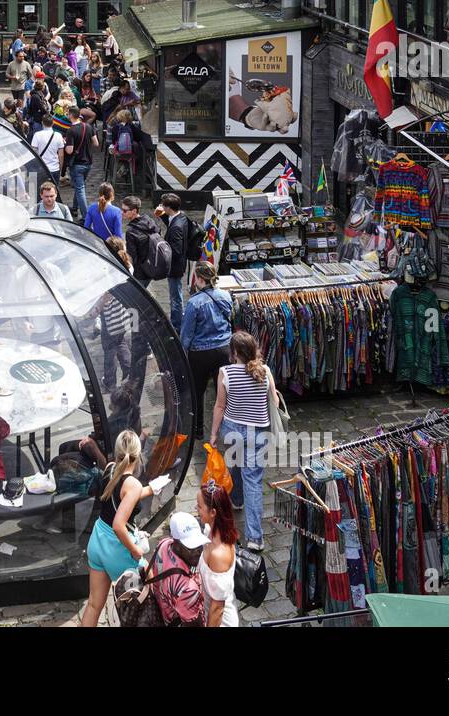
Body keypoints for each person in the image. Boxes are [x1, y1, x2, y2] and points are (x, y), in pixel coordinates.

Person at [80, 430, 167, 627]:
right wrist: (136, 552)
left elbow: (124, 494)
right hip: (117, 548)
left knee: (94, 604)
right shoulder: (133, 484)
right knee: (148, 598)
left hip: (98, 540)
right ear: (138, 456)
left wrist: (151, 489)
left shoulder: (110, 468)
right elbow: (119, 526)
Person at [210, 331, 278, 552]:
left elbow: (220, 406)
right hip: (258, 433)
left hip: (232, 431)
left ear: (235, 352)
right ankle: (255, 538)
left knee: (234, 466)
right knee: (254, 481)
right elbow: (274, 402)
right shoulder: (264, 371)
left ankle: (236, 499)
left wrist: (213, 434)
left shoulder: (225, 373)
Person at [180, 260, 233, 421]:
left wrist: (182, 354)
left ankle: (197, 428)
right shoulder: (226, 296)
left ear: (201, 280)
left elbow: (187, 334)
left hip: (200, 354)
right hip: (224, 349)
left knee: (197, 392)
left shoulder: (193, 303)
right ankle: (226, 424)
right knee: (223, 391)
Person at [148, 511, 208, 627]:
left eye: (199, 545)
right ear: (176, 543)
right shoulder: (188, 590)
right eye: (191, 547)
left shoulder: (164, 544)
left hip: (163, 612)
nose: (198, 551)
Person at [196, 481, 240, 626]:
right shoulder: (209, 532)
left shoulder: (218, 555)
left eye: (200, 506)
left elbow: (217, 609)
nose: (197, 509)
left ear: (213, 512)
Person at [158, 193, 193, 330]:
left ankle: (176, 325)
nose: (161, 207)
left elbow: (176, 250)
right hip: (179, 265)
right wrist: (161, 216)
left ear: (169, 208)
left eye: (163, 206)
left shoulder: (177, 227)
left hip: (175, 267)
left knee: (175, 298)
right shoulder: (181, 217)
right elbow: (171, 221)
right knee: (176, 295)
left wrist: (162, 243)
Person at [64, 108, 99, 220]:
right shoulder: (88, 127)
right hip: (88, 162)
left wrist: (65, 143)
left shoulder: (71, 130)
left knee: (80, 189)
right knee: (79, 185)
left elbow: (69, 150)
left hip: (77, 163)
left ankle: (86, 217)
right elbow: (96, 143)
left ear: (70, 115)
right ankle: (74, 208)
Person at [122, 195, 161, 288]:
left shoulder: (131, 232)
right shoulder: (149, 220)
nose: (121, 212)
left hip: (139, 273)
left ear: (134, 211)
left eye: (125, 210)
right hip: (151, 267)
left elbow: (132, 256)